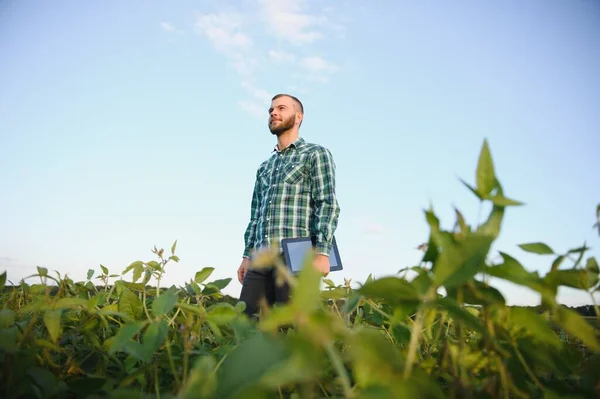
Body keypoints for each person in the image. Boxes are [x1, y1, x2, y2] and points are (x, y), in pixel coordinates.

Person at [237, 93, 341, 318]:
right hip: (261, 256)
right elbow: (256, 215)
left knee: (293, 326)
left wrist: (323, 252)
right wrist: (247, 255)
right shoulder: (265, 166)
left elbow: (327, 203)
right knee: (244, 323)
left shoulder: (315, 153)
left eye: (281, 108)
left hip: (298, 253)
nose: (273, 113)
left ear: (298, 117)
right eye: (271, 110)